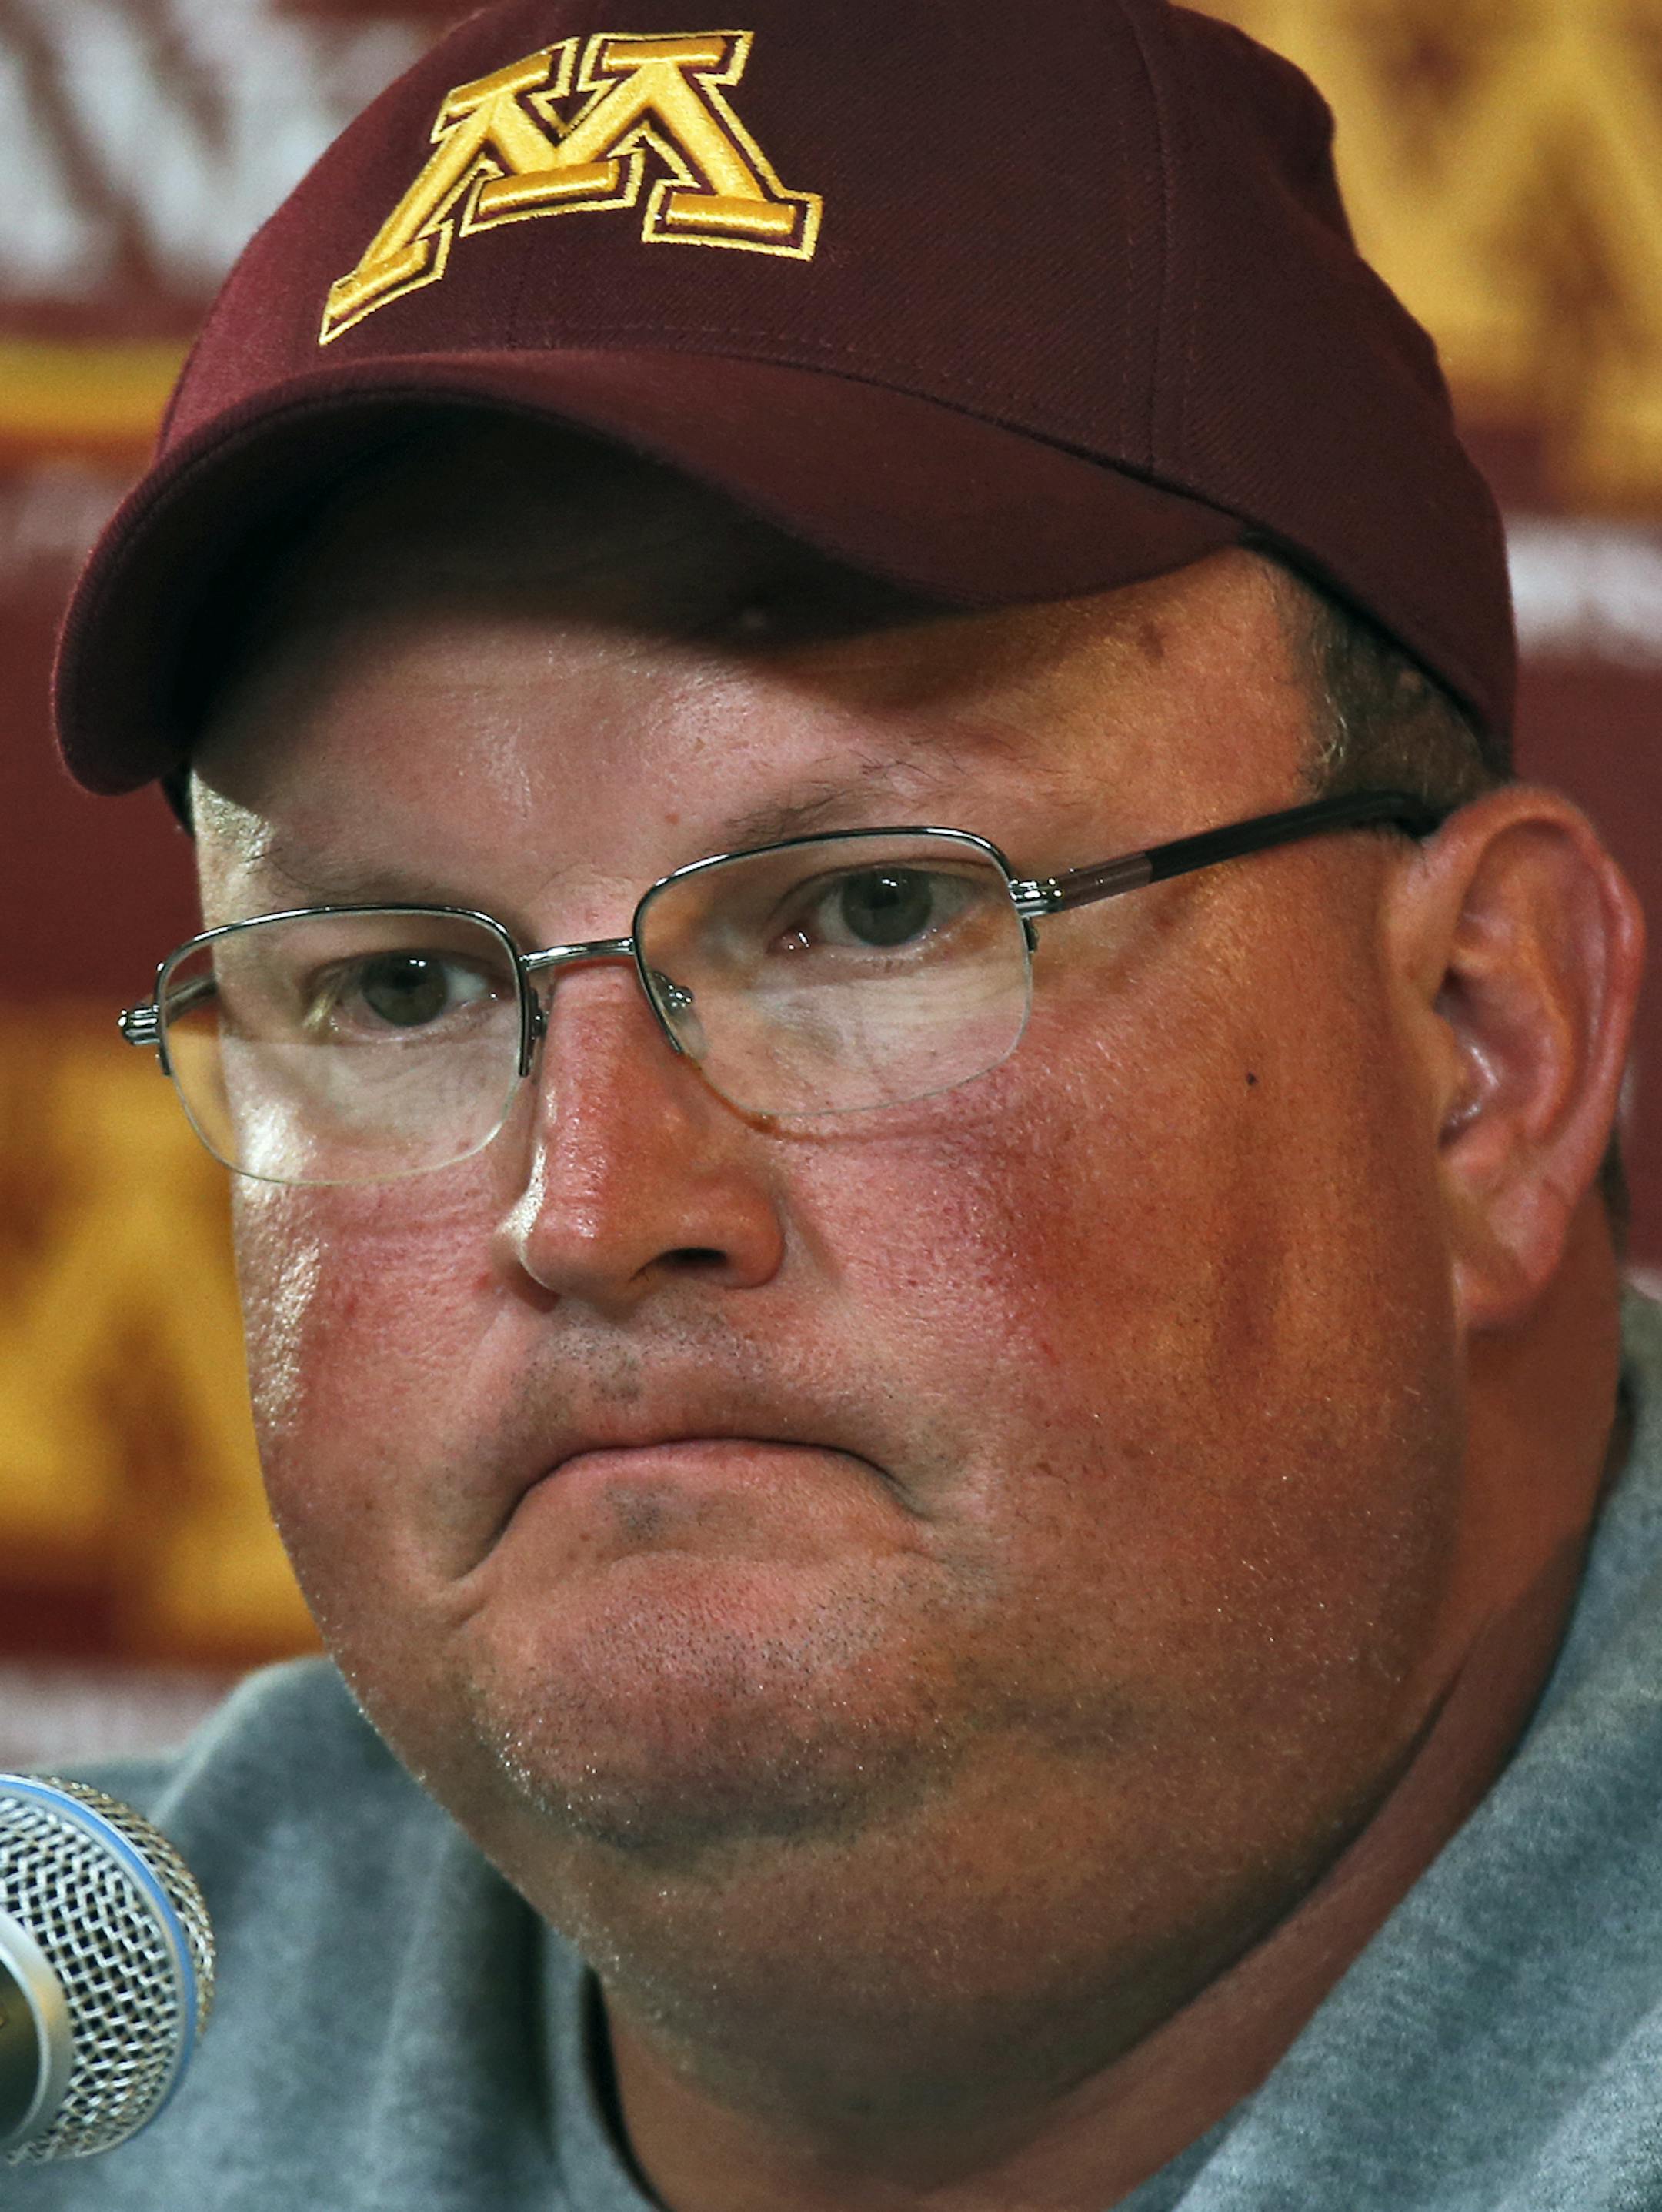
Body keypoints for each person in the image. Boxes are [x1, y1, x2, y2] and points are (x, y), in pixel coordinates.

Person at [14, 0, 1659, 2204]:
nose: (589, 1203)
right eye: (398, 982)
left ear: (1486, 1049)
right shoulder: (81, 2036)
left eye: (873, 914)